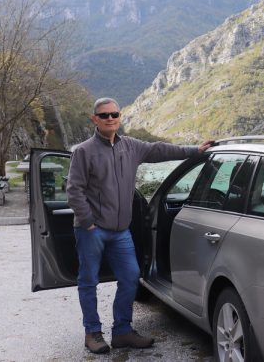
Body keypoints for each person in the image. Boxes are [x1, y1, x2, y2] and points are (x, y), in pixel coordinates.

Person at [66, 97, 213, 354]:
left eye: (114, 114)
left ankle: (122, 331)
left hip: (120, 231)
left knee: (131, 276)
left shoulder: (132, 146)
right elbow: (74, 190)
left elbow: (161, 150)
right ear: (94, 119)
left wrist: (195, 150)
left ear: (119, 117)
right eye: (104, 115)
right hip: (92, 230)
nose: (110, 118)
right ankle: (93, 332)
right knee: (88, 281)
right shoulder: (84, 151)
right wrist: (87, 221)